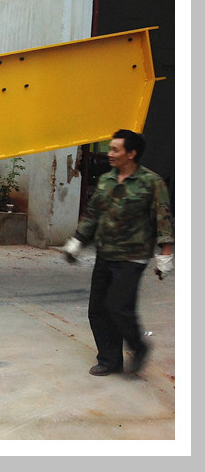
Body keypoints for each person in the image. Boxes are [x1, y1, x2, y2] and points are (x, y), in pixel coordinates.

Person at [62, 129, 174, 377]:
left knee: (118, 307)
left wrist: (166, 253)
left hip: (133, 256)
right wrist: (77, 240)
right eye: (110, 149)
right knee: (97, 309)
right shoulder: (106, 180)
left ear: (131, 154)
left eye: (115, 149)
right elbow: (93, 214)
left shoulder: (152, 182)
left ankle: (139, 346)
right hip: (106, 252)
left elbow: (163, 217)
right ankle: (109, 360)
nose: (110, 154)